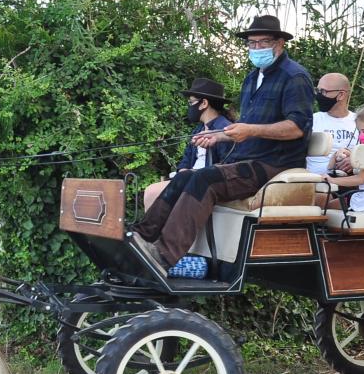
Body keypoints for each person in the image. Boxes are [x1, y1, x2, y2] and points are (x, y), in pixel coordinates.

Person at [131, 15, 314, 269]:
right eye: (252, 43)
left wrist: (249, 130)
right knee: (185, 177)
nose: (257, 48)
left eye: (264, 42)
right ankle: (140, 238)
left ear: (280, 43)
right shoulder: (251, 79)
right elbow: (246, 127)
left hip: (274, 163)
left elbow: (297, 128)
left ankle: (163, 256)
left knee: (205, 179)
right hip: (247, 159)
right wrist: (219, 136)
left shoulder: (294, 77)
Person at [143, 77, 234, 211]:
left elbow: (227, 165)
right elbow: (186, 159)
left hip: (205, 183)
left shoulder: (225, 129)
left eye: (191, 102)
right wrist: (183, 172)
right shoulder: (198, 130)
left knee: (152, 192)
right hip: (189, 180)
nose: (190, 107)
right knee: (153, 191)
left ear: (204, 103)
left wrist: (190, 176)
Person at [308, 72, 357, 175]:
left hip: (350, 180)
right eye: (318, 90)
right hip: (314, 180)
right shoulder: (311, 120)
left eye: (324, 91)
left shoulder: (359, 122)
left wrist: (354, 160)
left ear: (341, 95)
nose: (319, 95)